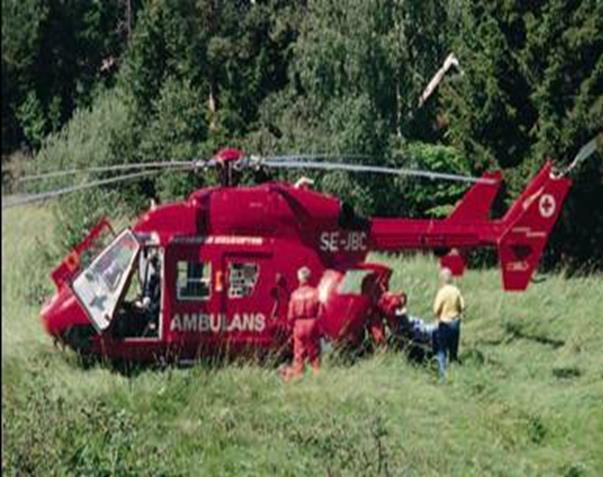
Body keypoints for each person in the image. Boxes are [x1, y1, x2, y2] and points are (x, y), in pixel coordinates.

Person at [281, 266, 322, 381]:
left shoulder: (294, 295)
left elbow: (290, 316)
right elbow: (320, 312)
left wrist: (290, 329)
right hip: (312, 324)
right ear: (309, 277)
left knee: (299, 355)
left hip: (298, 326)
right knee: (314, 355)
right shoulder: (315, 293)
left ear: (299, 278)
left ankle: (298, 378)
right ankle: (317, 379)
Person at [432, 267, 465, 380]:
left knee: (442, 351)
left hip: (444, 324)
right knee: (453, 351)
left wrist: (439, 315)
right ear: (451, 278)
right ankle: (455, 374)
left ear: (442, 279)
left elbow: (436, 309)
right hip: (455, 323)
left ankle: (442, 377)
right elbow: (463, 306)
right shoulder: (456, 291)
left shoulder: (442, 292)